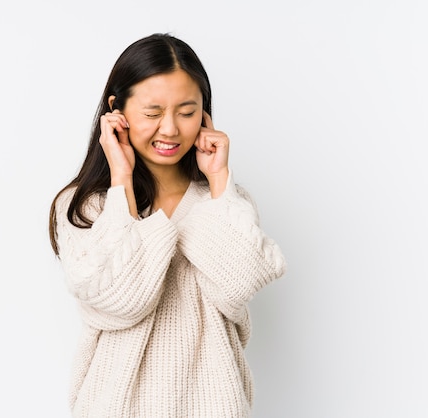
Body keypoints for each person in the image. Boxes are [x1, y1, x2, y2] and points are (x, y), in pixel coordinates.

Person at [49, 33, 286, 418]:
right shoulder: (84, 205)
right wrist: (121, 182)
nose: (171, 129)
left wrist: (220, 180)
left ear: (205, 114)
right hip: (115, 407)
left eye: (187, 111)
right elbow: (120, 302)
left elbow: (239, 285)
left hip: (216, 405)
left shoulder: (225, 199)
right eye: (153, 112)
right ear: (117, 110)